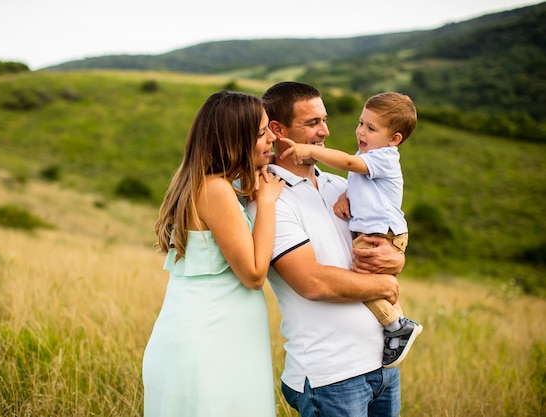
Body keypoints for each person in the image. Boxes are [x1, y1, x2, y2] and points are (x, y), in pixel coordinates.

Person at [247, 82, 405, 417]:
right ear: (278, 130)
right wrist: (386, 285)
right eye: (312, 123)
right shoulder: (268, 202)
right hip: (330, 377)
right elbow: (312, 282)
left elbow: (381, 240)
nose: (325, 132)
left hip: (383, 368)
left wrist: (397, 257)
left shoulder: (342, 186)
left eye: (325, 120)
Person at [142, 90, 285, 417]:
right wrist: (266, 203)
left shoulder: (200, 182)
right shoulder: (216, 189)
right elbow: (253, 274)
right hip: (211, 345)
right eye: (262, 133)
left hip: (208, 339)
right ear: (236, 139)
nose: (272, 138)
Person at [278, 91, 423, 368]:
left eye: (371, 128)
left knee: (363, 277)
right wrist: (347, 197)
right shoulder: (274, 198)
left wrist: (309, 150)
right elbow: (360, 182)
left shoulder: (384, 157)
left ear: (394, 140)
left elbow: (347, 163)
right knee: (367, 280)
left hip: (381, 233)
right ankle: (396, 324)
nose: (361, 131)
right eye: (361, 123)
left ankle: (396, 325)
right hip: (329, 366)